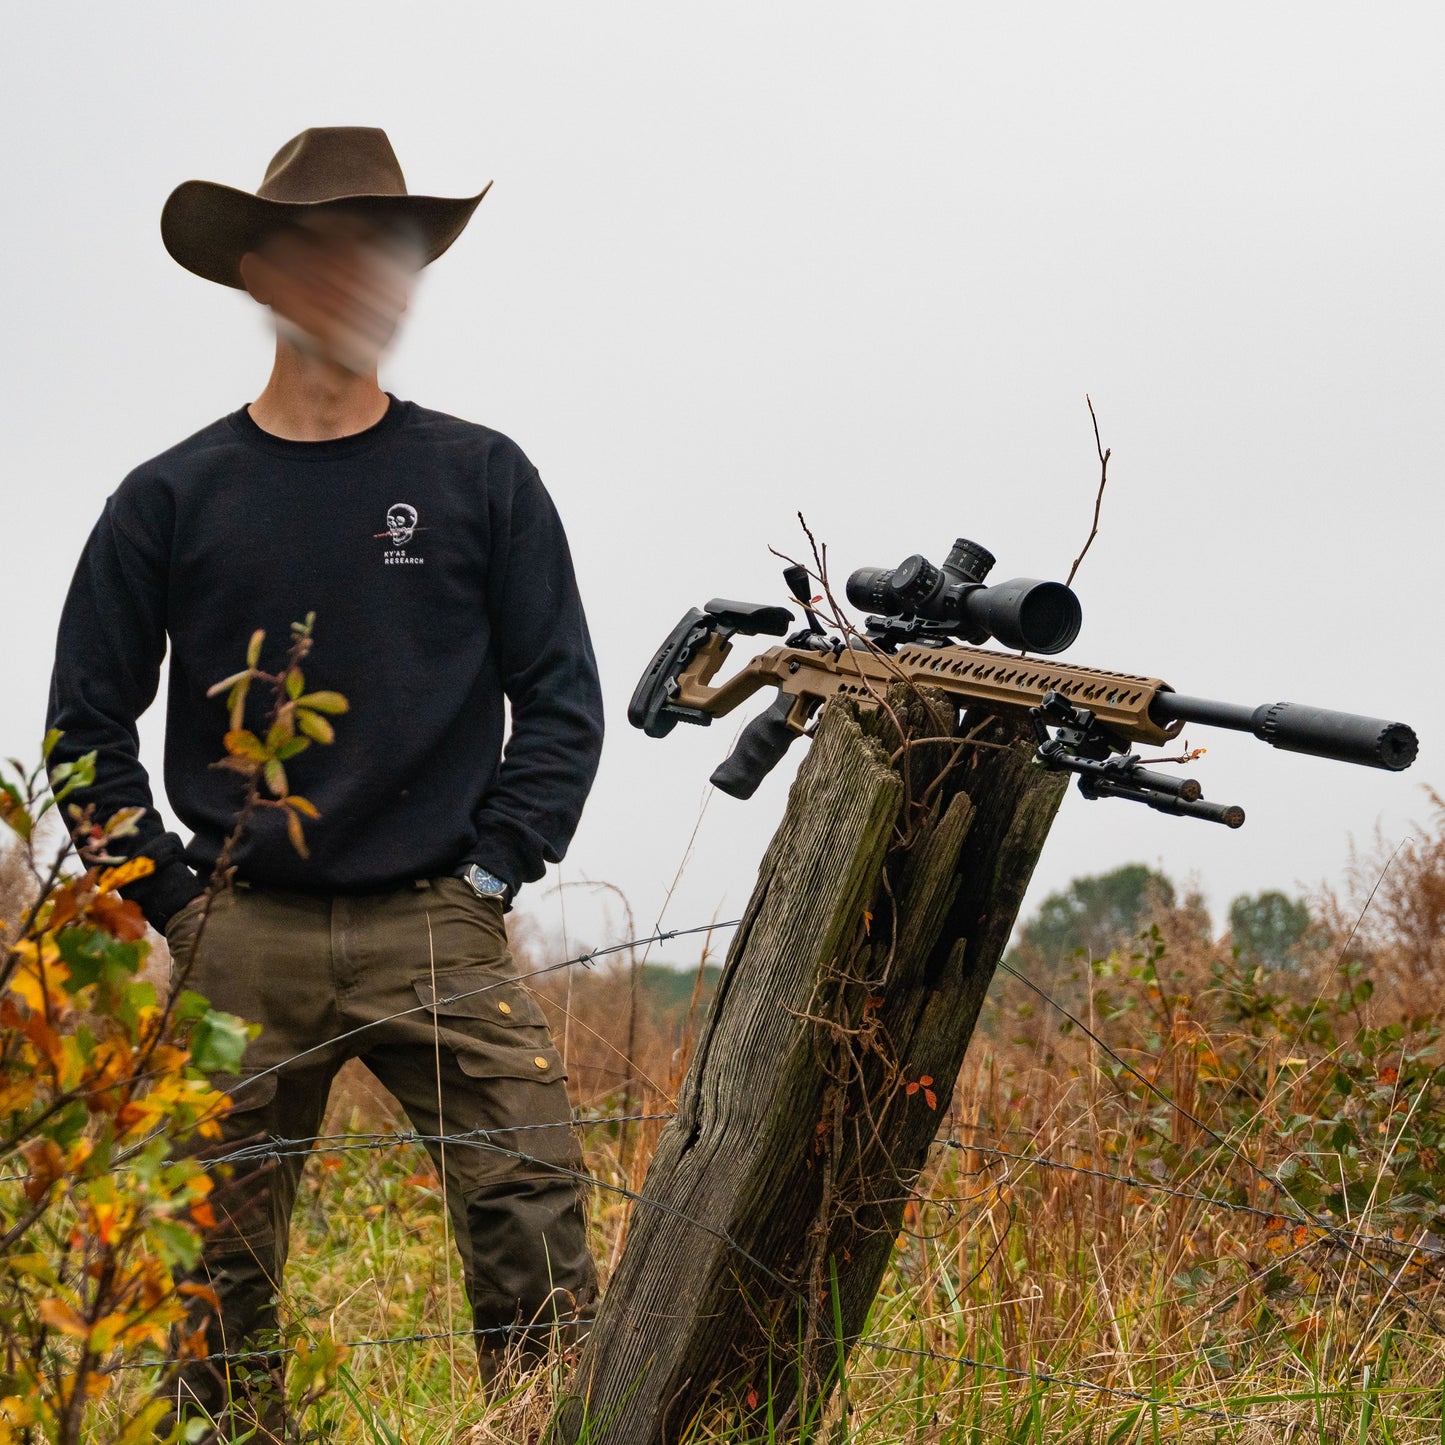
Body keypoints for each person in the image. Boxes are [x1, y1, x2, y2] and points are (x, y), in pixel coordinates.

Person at [45, 127, 604, 1436]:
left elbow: (562, 698)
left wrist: (495, 867)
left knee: (530, 1199)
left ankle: (541, 1430)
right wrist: (175, 900)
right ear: (262, 274)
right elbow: (84, 728)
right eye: (335, 247)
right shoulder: (171, 498)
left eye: (389, 251)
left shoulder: (479, 476)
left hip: (437, 920)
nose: (369, 278)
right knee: (206, 1257)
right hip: (240, 928)